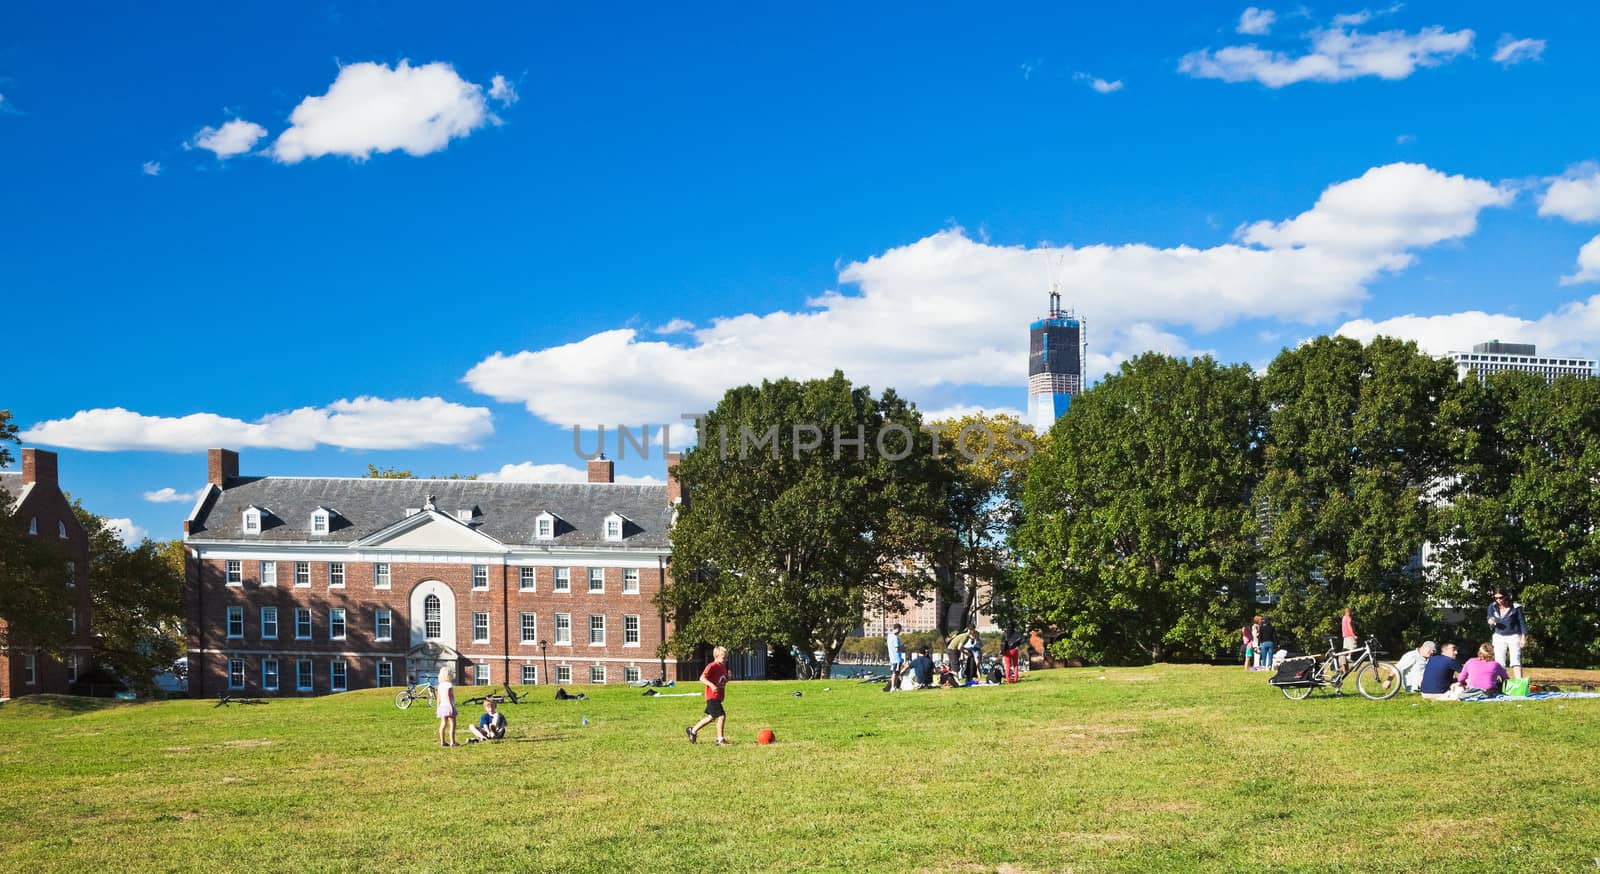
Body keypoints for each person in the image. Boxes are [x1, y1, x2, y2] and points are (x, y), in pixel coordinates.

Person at [685, 645, 731, 745]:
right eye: (723, 658)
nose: (725, 660)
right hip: (712, 697)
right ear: (716, 656)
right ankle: (720, 740)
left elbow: (722, 681)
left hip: (718, 698)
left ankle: (692, 731)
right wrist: (711, 685)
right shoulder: (712, 666)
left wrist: (728, 678)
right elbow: (702, 678)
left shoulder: (722, 667)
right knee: (721, 716)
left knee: (711, 717)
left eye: (726, 657)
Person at [1487, 589, 1529, 680]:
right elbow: (1489, 619)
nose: (1498, 600)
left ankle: (1519, 682)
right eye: (1496, 598)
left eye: (1501, 597)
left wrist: (1523, 637)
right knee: (1499, 661)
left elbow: (1522, 623)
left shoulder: (1516, 607)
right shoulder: (1492, 606)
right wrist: (1490, 621)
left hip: (1514, 636)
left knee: (1515, 659)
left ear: (1506, 596)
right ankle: (1502, 683)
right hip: (1498, 636)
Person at [435, 667, 458, 748]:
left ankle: (443, 742)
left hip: (442, 707)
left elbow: (438, 697)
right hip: (449, 706)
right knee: (452, 724)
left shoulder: (440, 685)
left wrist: (437, 708)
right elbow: (448, 696)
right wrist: (451, 706)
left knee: (443, 724)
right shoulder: (449, 685)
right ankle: (453, 742)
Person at [885, 623, 904, 692]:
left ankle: (895, 686)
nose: (900, 632)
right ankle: (893, 687)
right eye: (900, 630)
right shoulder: (895, 638)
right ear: (897, 629)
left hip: (892, 657)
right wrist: (902, 649)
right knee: (895, 673)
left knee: (896, 673)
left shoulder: (889, 636)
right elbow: (897, 648)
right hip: (896, 658)